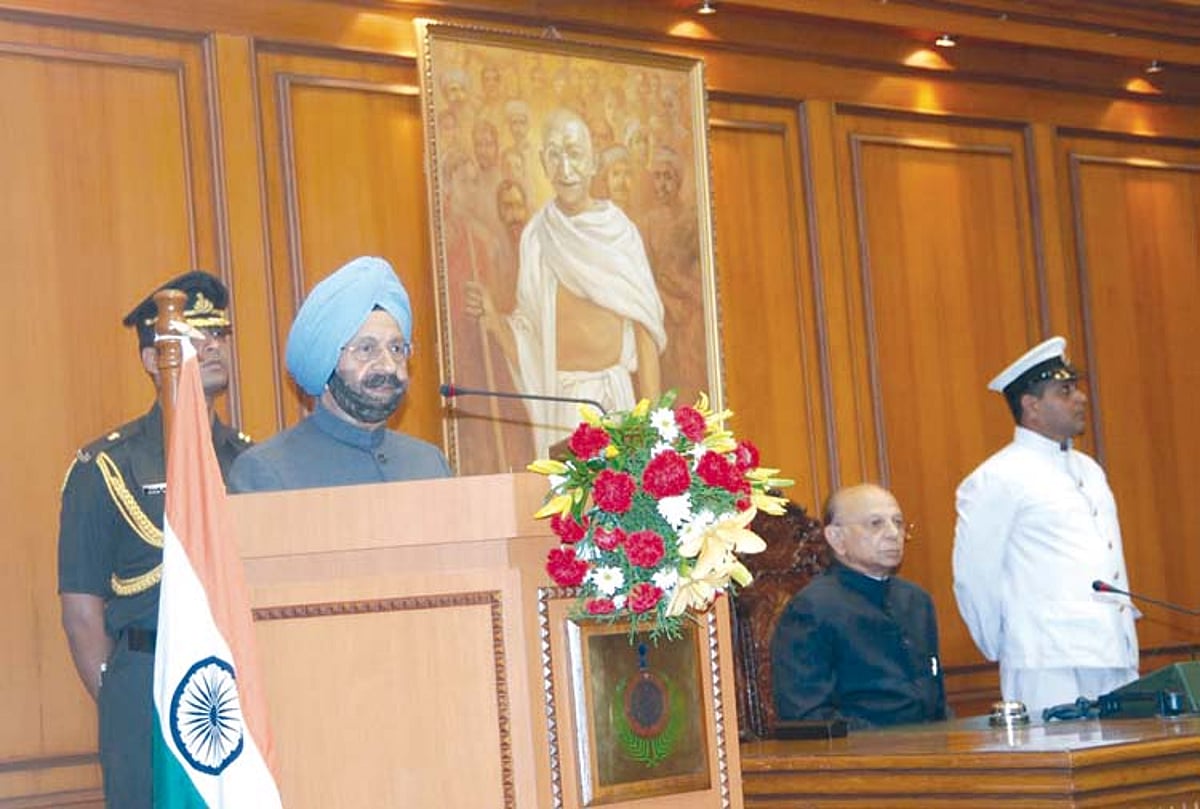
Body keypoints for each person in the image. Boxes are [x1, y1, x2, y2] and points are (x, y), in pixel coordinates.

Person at [57, 271, 253, 809]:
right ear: (151, 358)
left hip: (237, 677)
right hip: (145, 682)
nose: (212, 346)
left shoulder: (250, 462)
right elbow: (81, 614)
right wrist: (124, 698)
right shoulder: (106, 467)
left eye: (219, 333)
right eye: (194, 336)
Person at [953, 336, 1138, 716]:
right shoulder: (997, 477)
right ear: (1031, 405)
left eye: (1076, 388)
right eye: (1065, 391)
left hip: (1113, 652)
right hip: (1047, 660)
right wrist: (1006, 643)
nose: (1081, 398)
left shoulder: (1089, 470)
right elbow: (975, 576)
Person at [466, 108, 666, 457]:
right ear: (543, 163)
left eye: (574, 154)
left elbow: (644, 333)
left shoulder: (620, 232)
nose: (565, 168)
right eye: (555, 156)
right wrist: (495, 320)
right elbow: (531, 339)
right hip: (564, 405)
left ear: (593, 162)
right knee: (570, 493)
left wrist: (649, 431)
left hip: (615, 399)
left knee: (621, 491)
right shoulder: (536, 237)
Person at [229, 256, 450, 491]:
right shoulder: (268, 470)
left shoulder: (429, 464)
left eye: (396, 349)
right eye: (367, 349)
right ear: (325, 362)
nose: (388, 366)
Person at [771, 483, 946, 729]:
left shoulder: (917, 600)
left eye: (898, 522)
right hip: (864, 748)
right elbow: (807, 715)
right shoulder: (812, 608)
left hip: (931, 743)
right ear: (836, 538)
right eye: (876, 523)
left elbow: (936, 703)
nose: (893, 533)